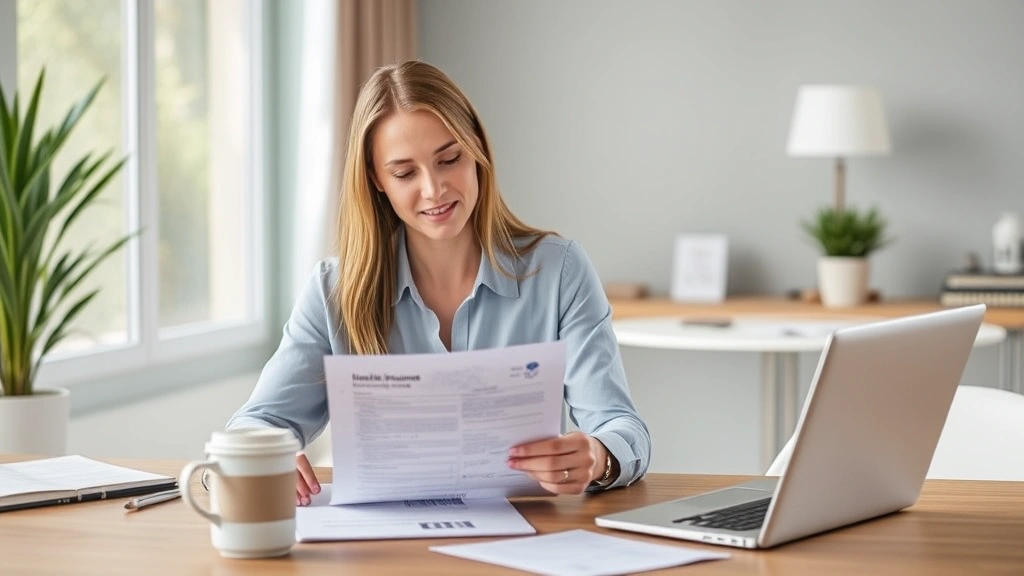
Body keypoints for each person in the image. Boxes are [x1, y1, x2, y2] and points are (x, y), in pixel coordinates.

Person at [226, 60, 650, 505]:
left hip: (524, 541)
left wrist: (599, 456)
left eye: (450, 160)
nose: (434, 189)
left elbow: (621, 425)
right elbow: (258, 420)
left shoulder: (559, 271)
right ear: (376, 180)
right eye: (405, 173)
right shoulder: (335, 290)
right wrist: (258, 451)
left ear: (477, 152)